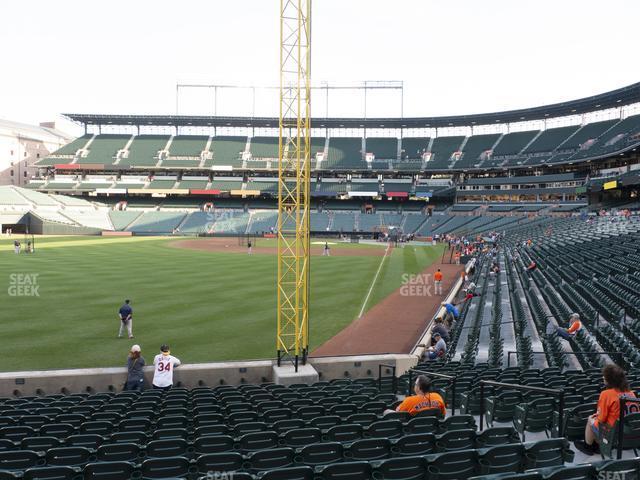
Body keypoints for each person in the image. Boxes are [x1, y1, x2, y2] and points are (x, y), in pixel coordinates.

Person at [574, 364, 637, 455]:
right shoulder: (631, 393)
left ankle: (588, 446)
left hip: (614, 436)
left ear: (610, 380)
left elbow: (601, 419)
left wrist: (593, 419)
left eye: (605, 377)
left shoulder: (606, 394)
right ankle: (597, 445)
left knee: (591, 420)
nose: (603, 377)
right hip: (630, 434)